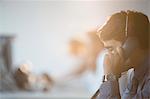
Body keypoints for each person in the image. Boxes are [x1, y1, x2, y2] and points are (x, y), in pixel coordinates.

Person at [92, 10, 150, 99]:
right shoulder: (134, 75)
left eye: (111, 49)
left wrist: (110, 76)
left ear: (131, 44)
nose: (107, 57)